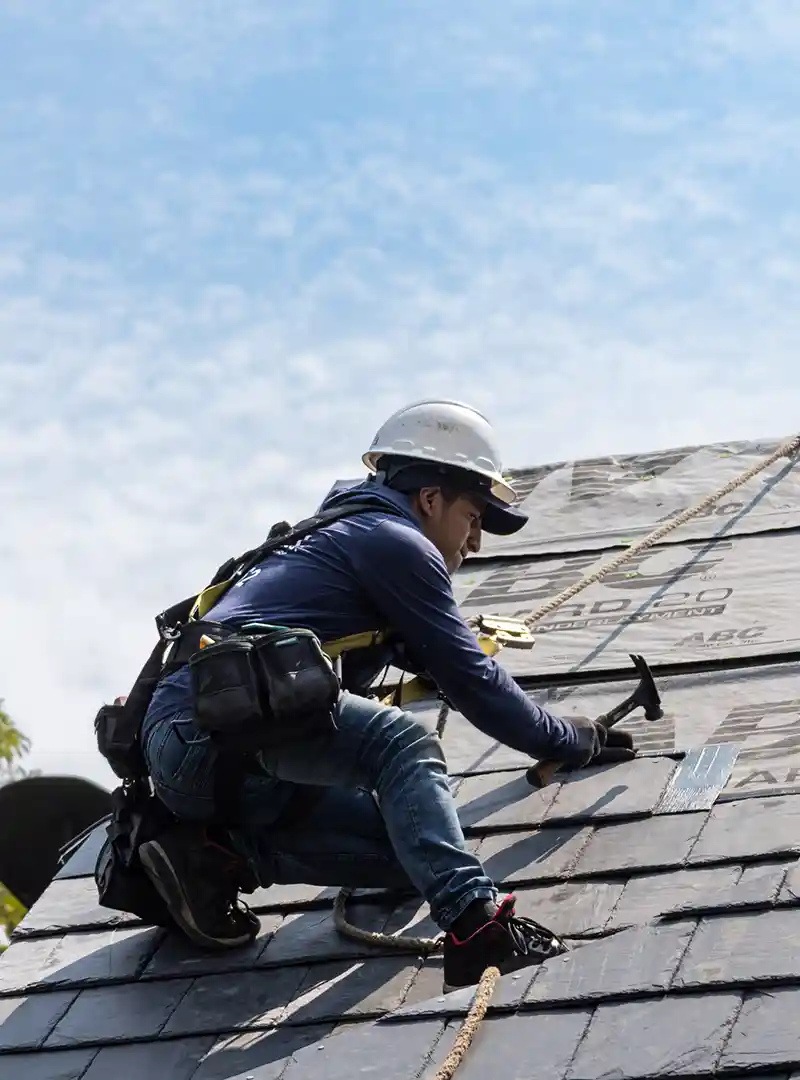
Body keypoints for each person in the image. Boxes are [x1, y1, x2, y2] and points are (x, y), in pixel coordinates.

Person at [136, 399, 635, 992]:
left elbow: (444, 665)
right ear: (430, 499)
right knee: (406, 744)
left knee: (414, 852)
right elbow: (471, 681)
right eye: (473, 517)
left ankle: (216, 855)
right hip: (209, 731)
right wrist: (572, 738)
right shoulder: (394, 541)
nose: (474, 542)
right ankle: (476, 928)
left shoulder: (341, 536)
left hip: (205, 753)